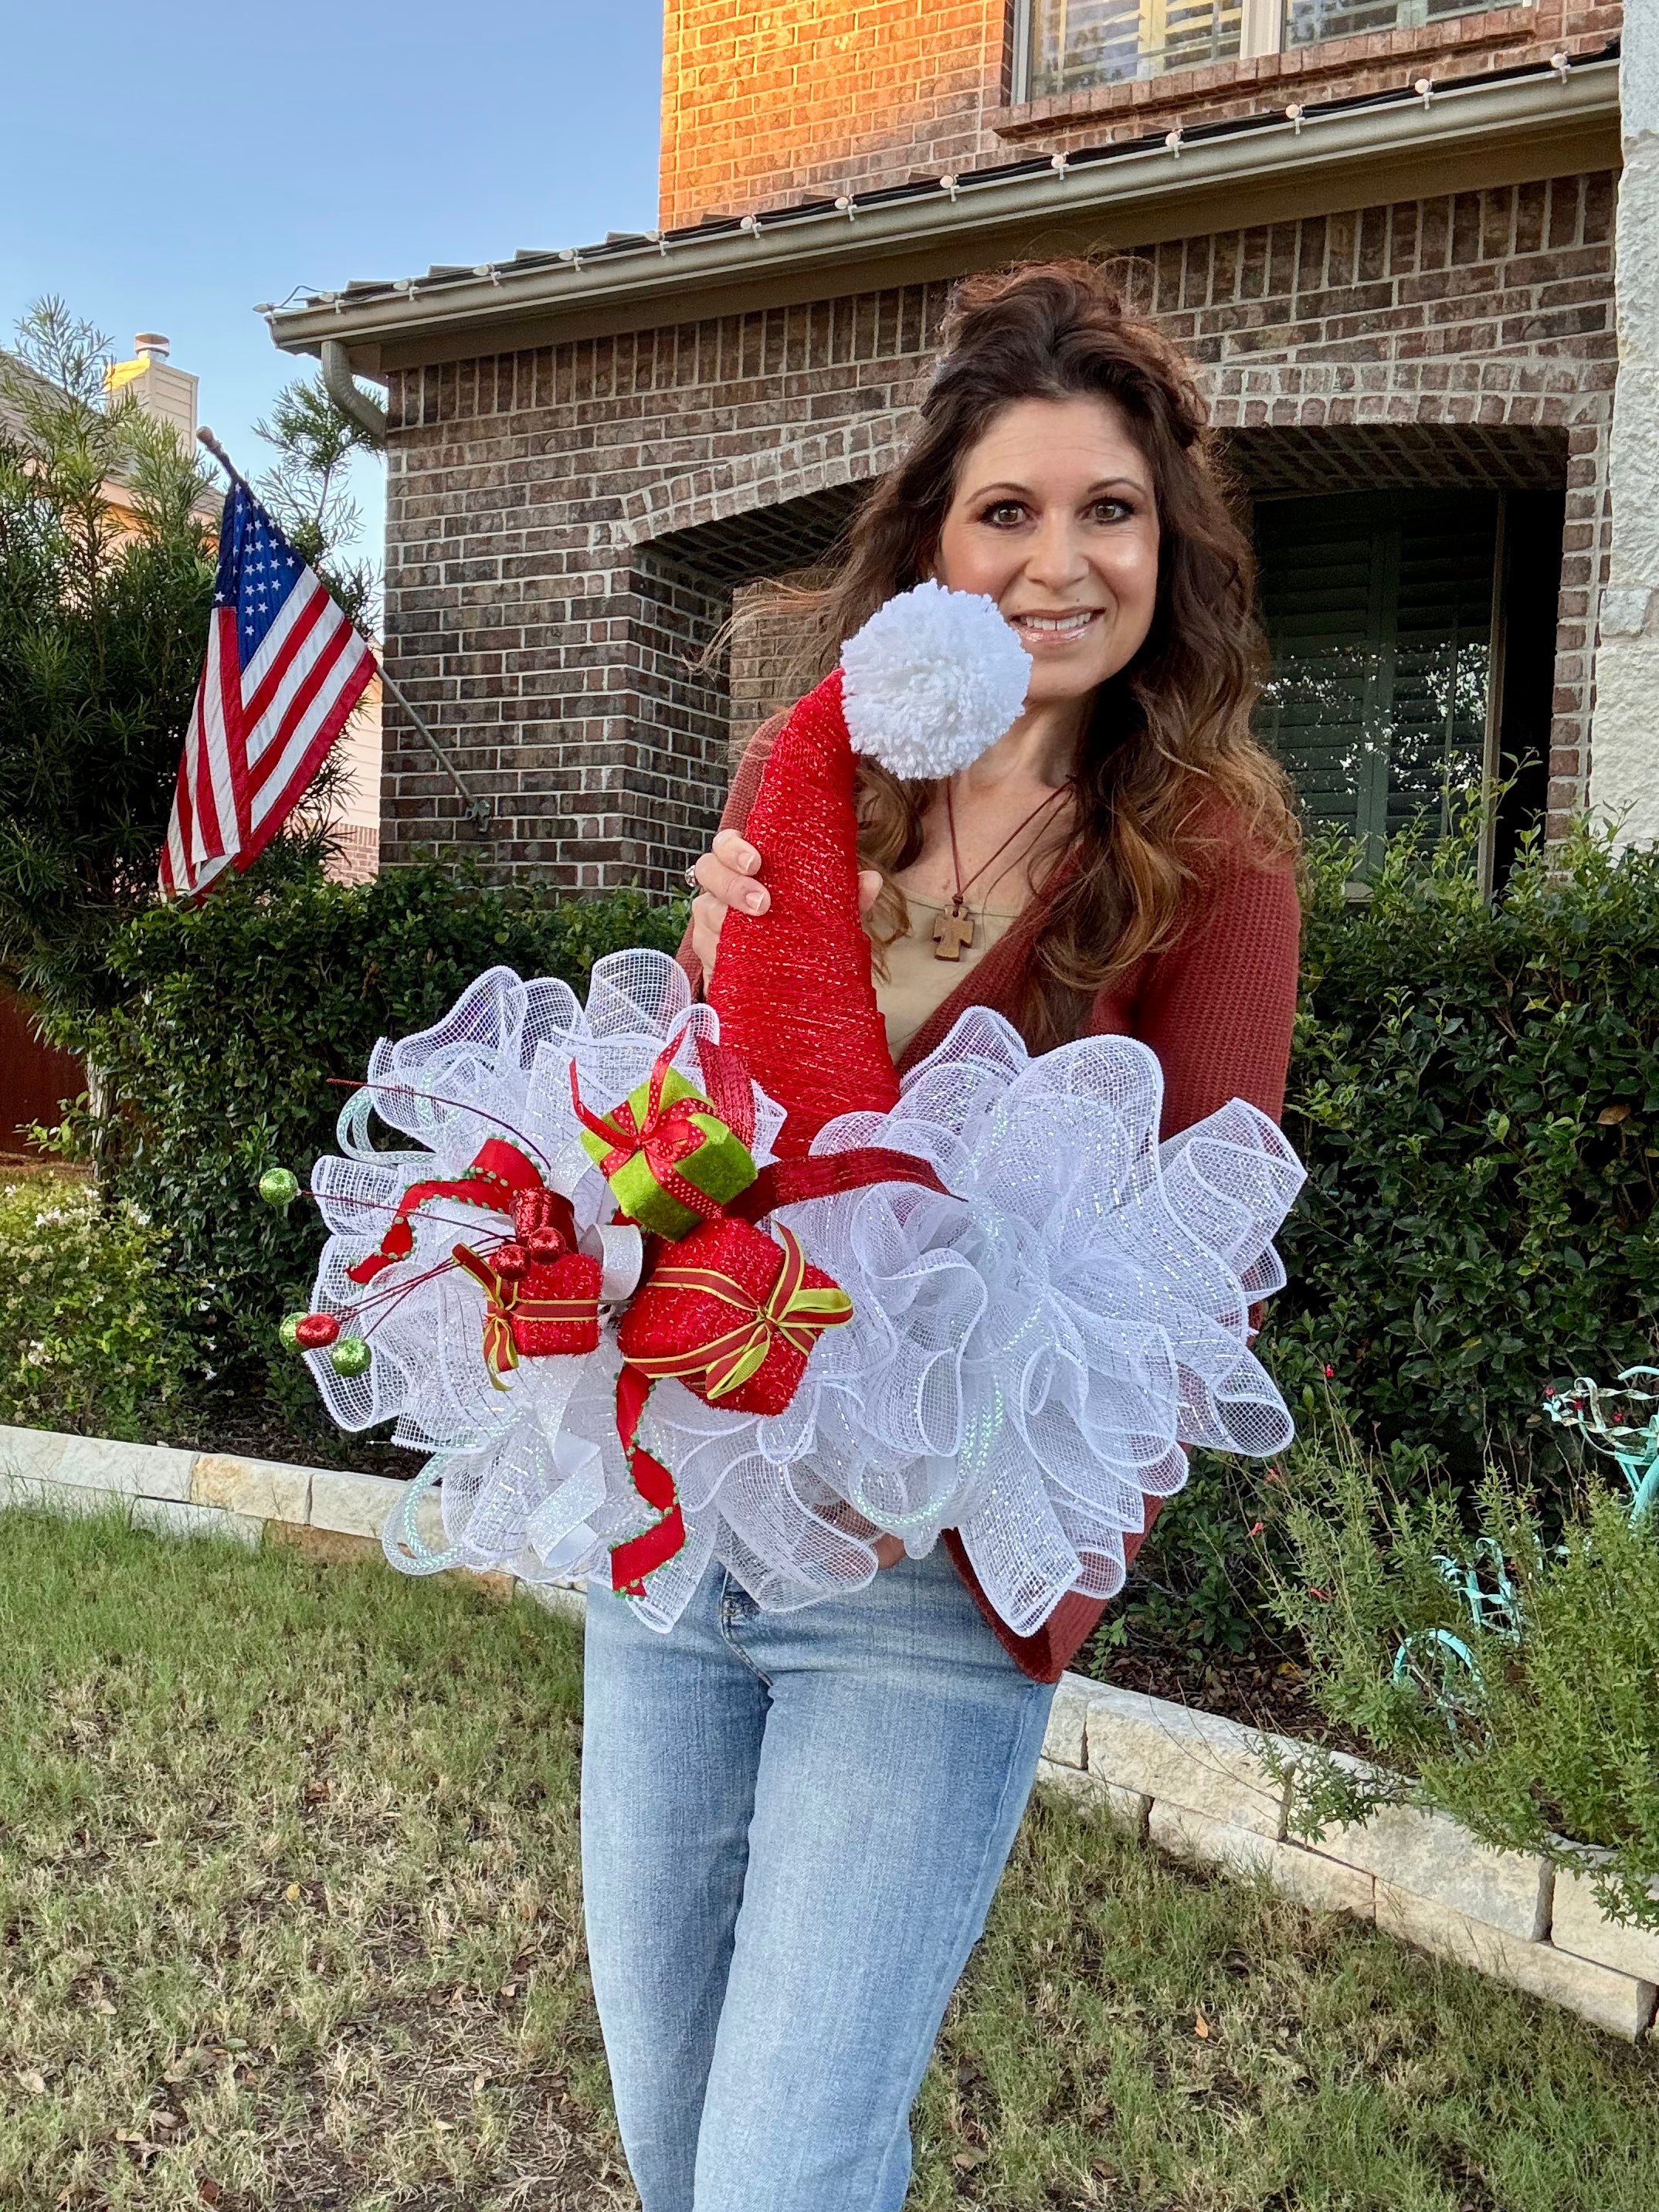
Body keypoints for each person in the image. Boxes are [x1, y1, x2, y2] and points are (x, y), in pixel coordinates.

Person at [579, 258, 1302, 2212]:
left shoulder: (1210, 852)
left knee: (787, 2164)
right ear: (933, 540)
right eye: (1010, 510)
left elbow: (1197, 1272)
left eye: (1110, 512)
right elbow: (695, 1141)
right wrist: (703, 971)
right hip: (685, 1537)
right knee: (671, 2134)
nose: (1061, 562)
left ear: (1168, 547)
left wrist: (1018, 1546)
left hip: (921, 1587)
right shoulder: (802, 782)